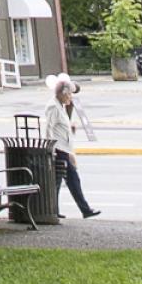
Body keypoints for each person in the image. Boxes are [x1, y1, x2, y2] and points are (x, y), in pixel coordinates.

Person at [43, 79, 101, 219]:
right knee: (72, 179)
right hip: (58, 150)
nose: (71, 97)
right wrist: (50, 150)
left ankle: (54, 210)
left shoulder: (60, 106)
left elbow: (61, 127)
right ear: (63, 94)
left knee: (59, 181)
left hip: (64, 149)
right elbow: (48, 128)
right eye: (69, 94)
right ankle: (84, 209)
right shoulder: (53, 107)